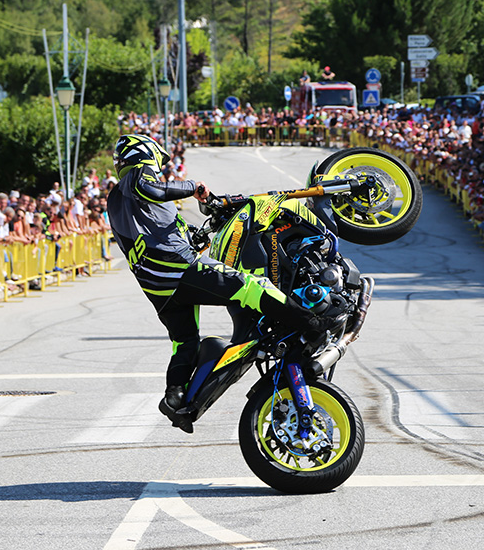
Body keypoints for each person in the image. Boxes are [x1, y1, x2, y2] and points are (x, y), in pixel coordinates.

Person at [106, 134, 330, 433]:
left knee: (184, 342)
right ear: (144, 154)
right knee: (252, 287)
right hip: (177, 269)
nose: (160, 173)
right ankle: (311, 324)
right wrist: (193, 186)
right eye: (159, 166)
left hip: (156, 287)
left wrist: (196, 235)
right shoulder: (137, 176)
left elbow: (153, 230)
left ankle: (175, 399)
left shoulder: (116, 201)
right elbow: (149, 188)